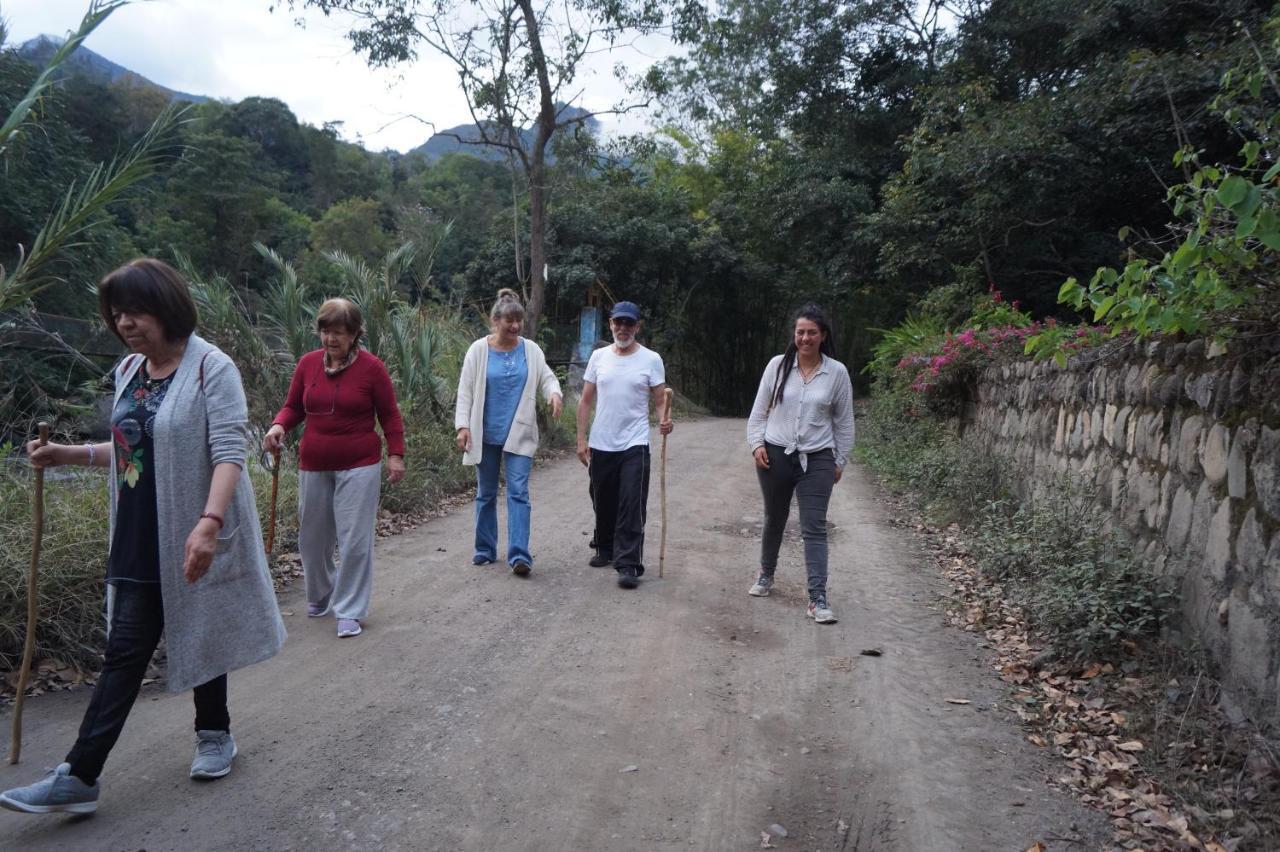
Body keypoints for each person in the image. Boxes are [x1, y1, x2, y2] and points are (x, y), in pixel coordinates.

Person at [0, 258, 287, 815]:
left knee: (202, 625)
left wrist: (209, 523)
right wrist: (69, 454)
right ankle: (80, 776)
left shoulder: (212, 368)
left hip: (193, 522)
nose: (123, 321)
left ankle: (213, 735)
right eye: (115, 312)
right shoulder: (129, 370)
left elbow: (229, 452)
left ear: (165, 307)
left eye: (134, 310)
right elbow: (133, 447)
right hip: (136, 530)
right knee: (125, 651)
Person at [262, 298, 405, 639]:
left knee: (354, 540)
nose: (330, 339)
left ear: (355, 334)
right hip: (314, 462)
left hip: (359, 463)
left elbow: (389, 415)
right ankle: (322, 593)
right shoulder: (308, 364)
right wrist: (279, 425)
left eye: (338, 333)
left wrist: (396, 454)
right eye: (325, 332)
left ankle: (350, 609)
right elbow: (293, 406)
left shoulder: (373, 369)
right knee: (312, 539)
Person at [745, 303, 855, 624]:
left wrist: (840, 460)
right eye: (800, 332)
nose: (805, 338)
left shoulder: (837, 373)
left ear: (823, 336)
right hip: (775, 454)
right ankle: (766, 574)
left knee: (814, 527)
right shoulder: (778, 366)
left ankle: (817, 598)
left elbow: (844, 422)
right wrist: (756, 444)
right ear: (794, 335)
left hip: (818, 458)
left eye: (812, 333)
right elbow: (759, 411)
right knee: (774, 517)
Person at [454, 289, 564, 576]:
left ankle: (519, 555)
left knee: (518, 493)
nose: (515, 326)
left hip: (519, 433)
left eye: (519, 321)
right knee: (486, 493)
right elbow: (465, 390)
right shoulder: (478, 350)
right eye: (509, 321)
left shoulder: (531, 350)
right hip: (485, 433)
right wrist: (463, 426)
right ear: (495, 321)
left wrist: (554, 394)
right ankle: (484, 549)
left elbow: (547, 376)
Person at [576, 301, 674, 589]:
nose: (623, 328)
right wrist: (581, 439)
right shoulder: (598, 357)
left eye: (629, 324)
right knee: (602, 497)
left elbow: (659, 400)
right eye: (618, 323)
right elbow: (585, 400)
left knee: (631, 502)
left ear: (637, 327)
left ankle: (629, 563)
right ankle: (605, 547)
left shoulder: (651, 359)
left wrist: (664, 421)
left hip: (635, 441)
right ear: (610, 324)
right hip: (602, 441)